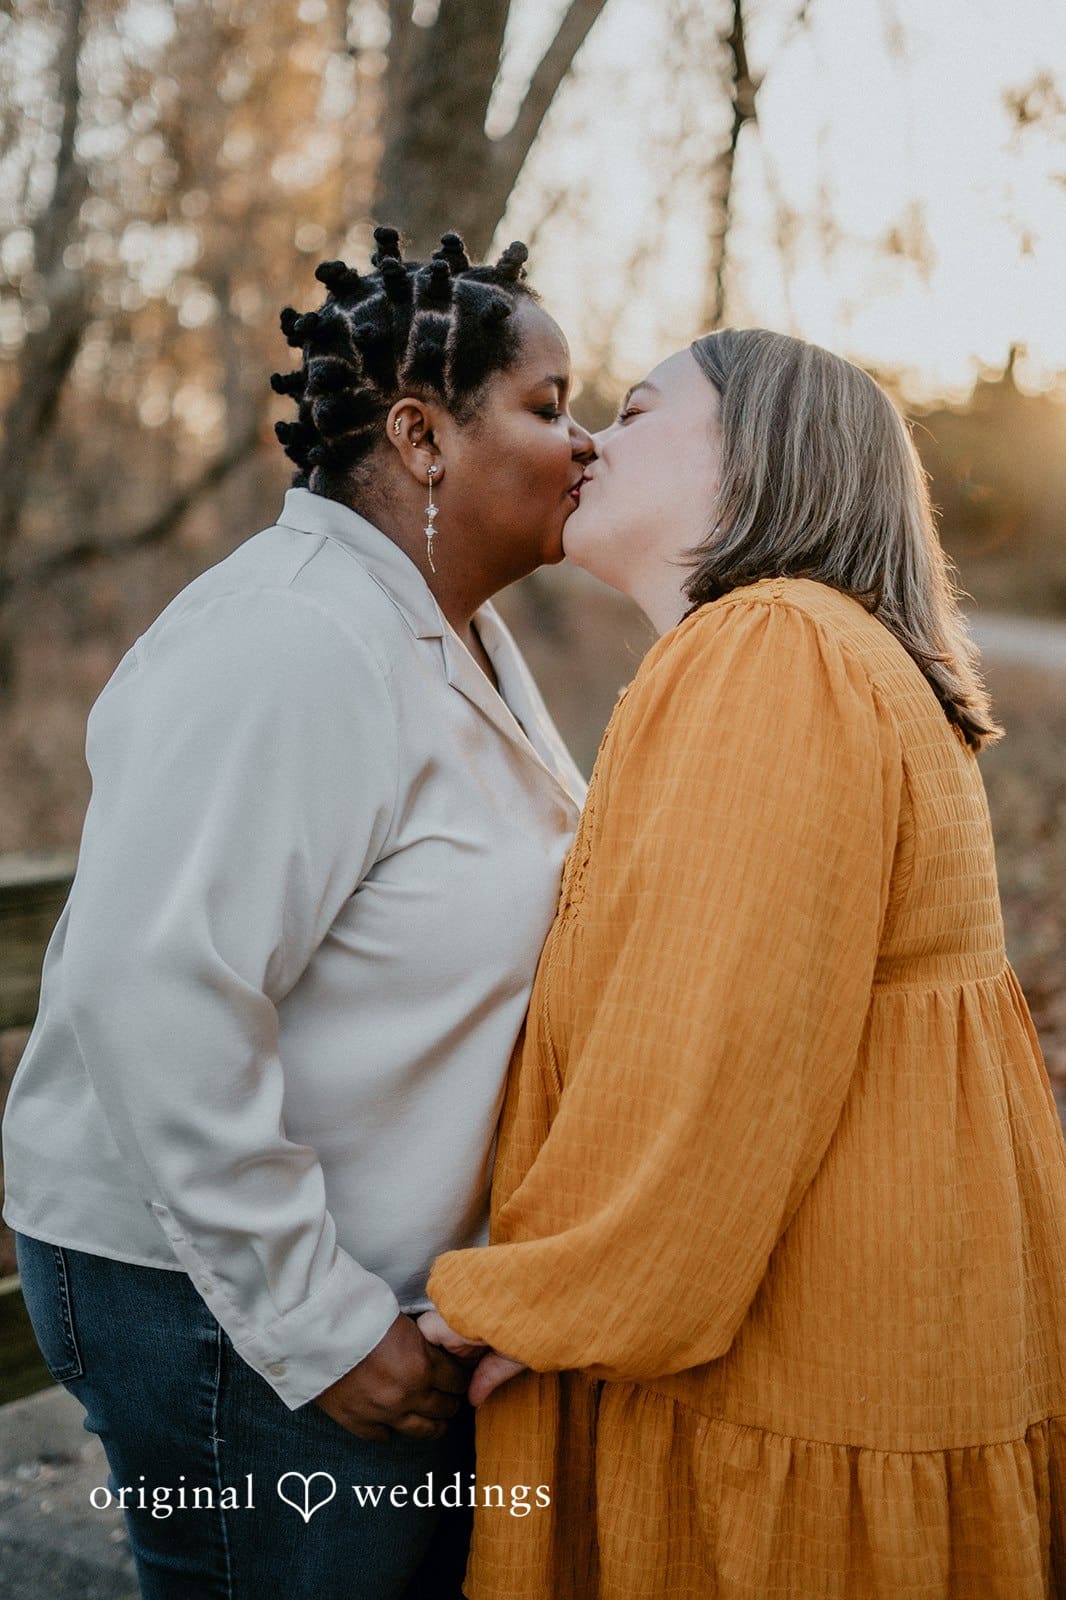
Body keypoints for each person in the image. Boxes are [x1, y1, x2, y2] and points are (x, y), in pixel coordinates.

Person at [422, 328, 1066, 1599]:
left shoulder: (773, 649)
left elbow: (708, 1066)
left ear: (756, 451)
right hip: (882, 1335)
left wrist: (527, 1302)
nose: (590, 438)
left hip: (796, 1365)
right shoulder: (819, 655)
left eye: (638, 408)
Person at [1, 227, 595, 1600]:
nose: (584, 447)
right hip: (212, 1292)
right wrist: (321, 1328)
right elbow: (156, 995)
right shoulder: (290, 644)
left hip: (369, 1279)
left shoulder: (447, 633)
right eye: (549, 407)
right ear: (420, 434)